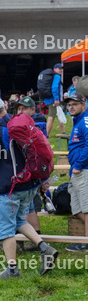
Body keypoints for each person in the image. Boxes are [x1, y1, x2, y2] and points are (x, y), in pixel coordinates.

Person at [0, 95, 58, 278]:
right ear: (5, 106)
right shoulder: (19, 121)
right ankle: (45, 248)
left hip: (10, 187)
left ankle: (12, 269)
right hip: (29, 184)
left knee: (5, 229)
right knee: (18, 220)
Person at [65, 92, 88, 252]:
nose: (71, 107)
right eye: (69, 104)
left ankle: (86, 244)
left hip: (84, 170)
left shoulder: (85, 120)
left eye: (75, 104)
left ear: (83, 105)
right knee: (77, 209)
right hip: (76, 171)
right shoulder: (77, 120)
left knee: (86, 210)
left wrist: (78, 165)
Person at [45, 63, 64, 137]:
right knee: (51, 117)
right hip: (53, 100)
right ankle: (46, 134)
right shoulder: (57, 76)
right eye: (59, 69)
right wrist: (56, 99)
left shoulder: (53, 76)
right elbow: (54, 87)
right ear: (55, 69)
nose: (61, 70)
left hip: (49, 99)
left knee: (59, 115)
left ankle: (63, 132)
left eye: (62, 69)